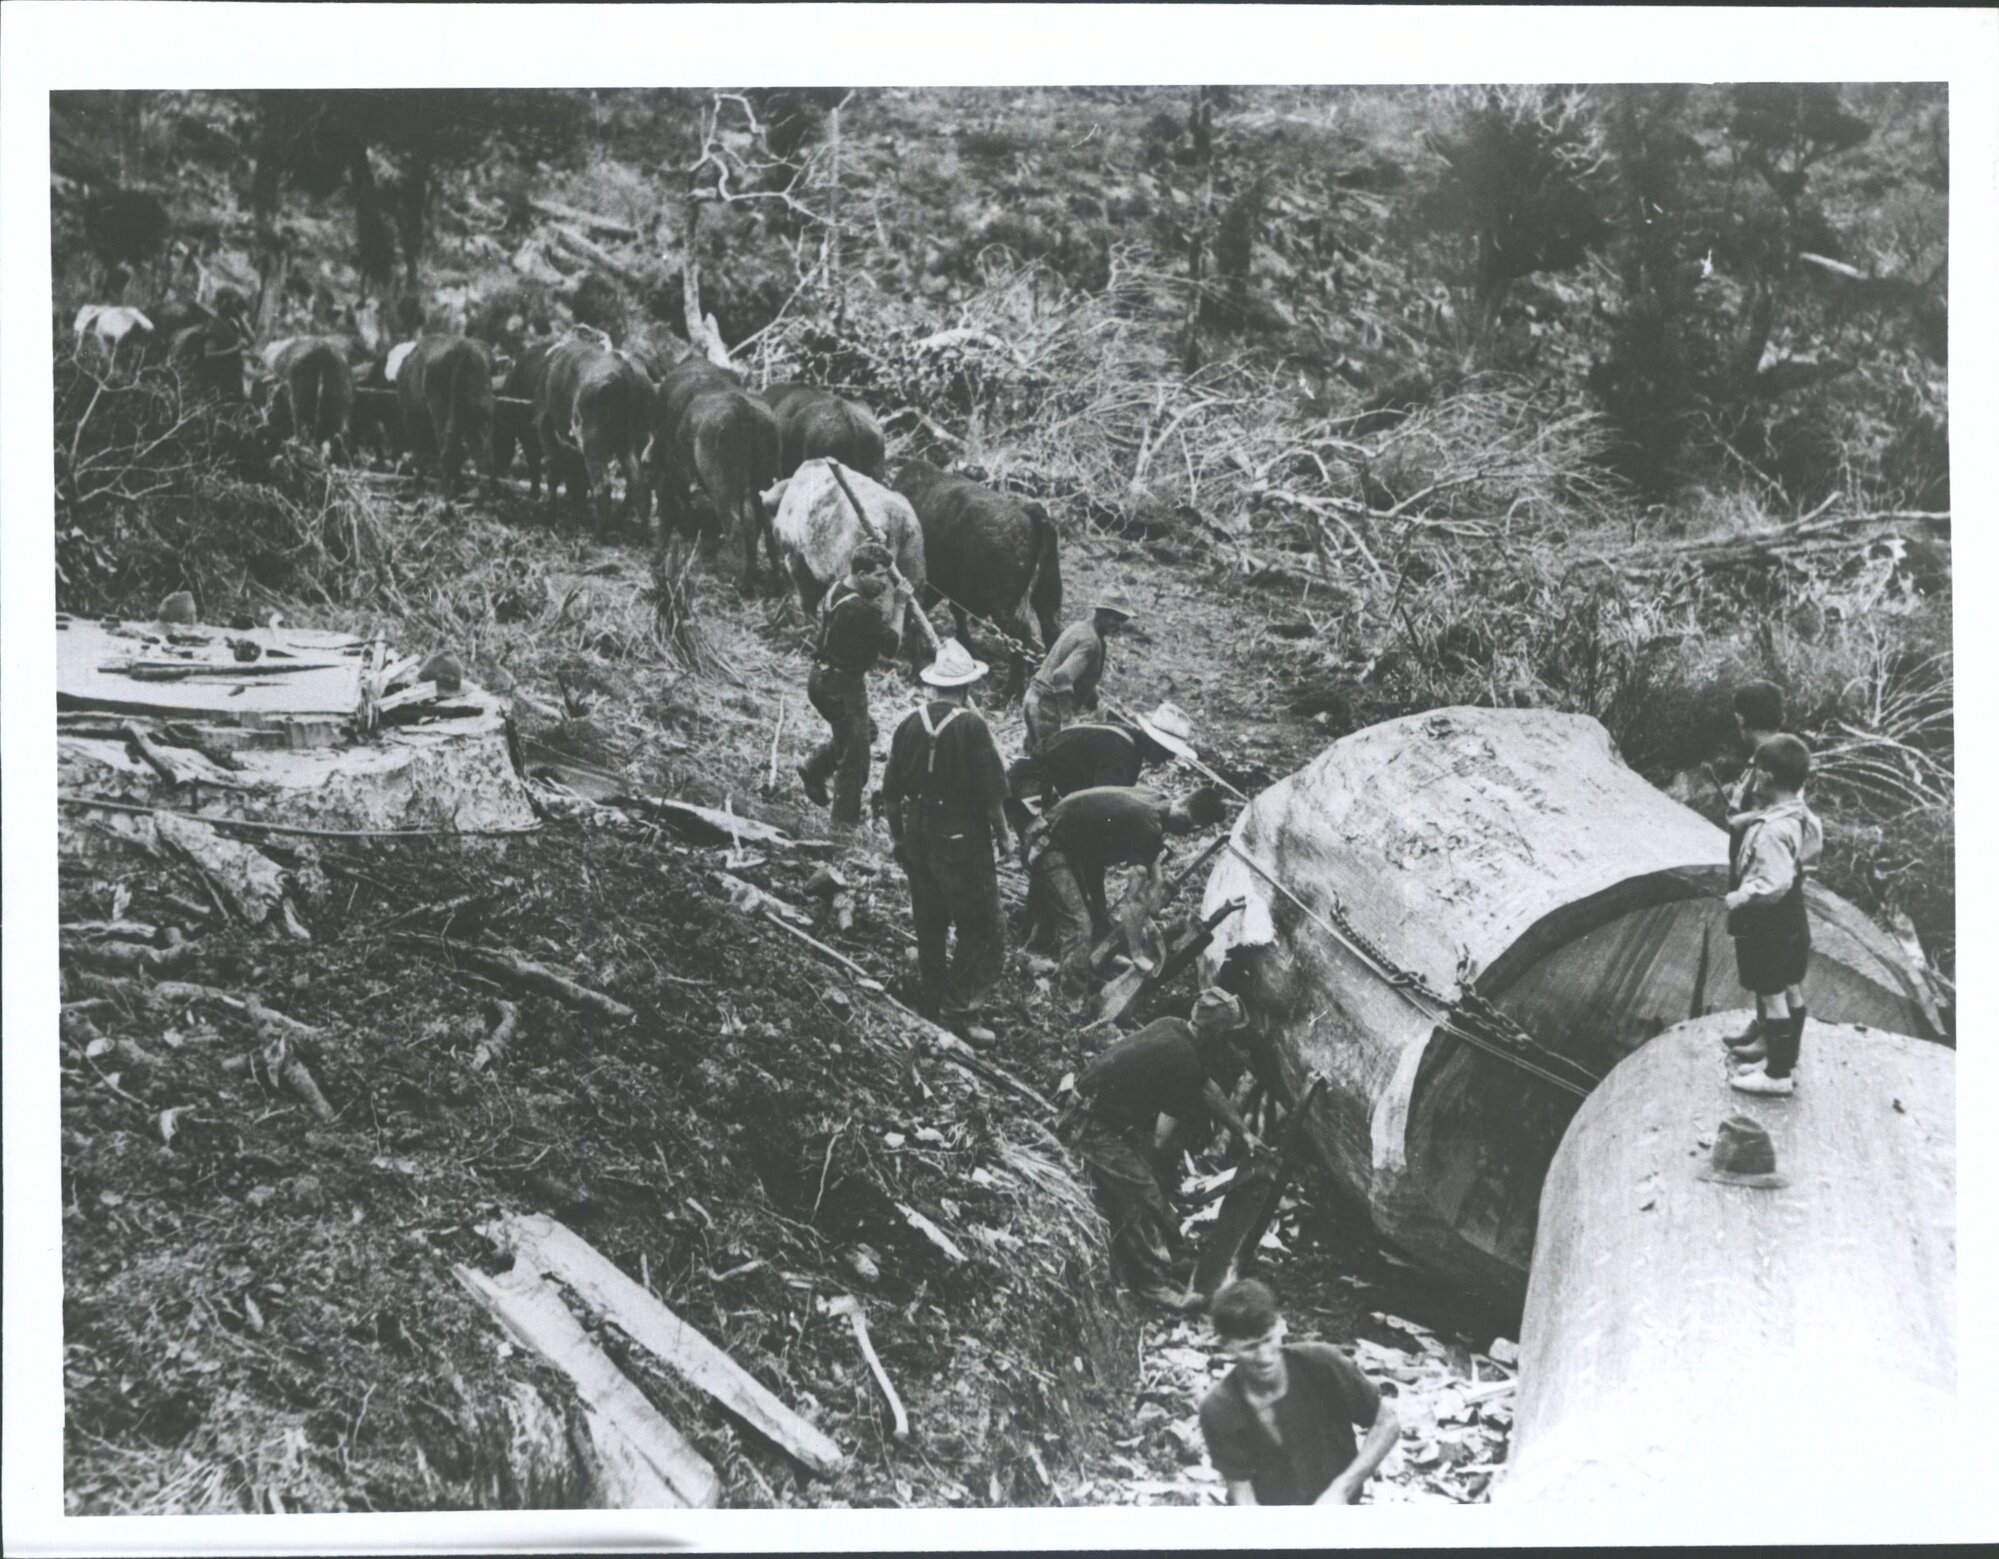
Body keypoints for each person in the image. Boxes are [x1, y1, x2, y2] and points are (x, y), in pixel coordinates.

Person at [1064, 990, 1264, 1308]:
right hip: (1090, 1126)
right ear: (1216, 1035)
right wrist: (1159, 1171)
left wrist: (1244, 1133)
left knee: (1154, 1186)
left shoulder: (1173, 1026)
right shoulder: (1182, 1059)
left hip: (1098, 1112)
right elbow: (1161, 1139)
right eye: (1228, 1036)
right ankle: (1152, 1284)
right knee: (1142, 1193)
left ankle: (1173, 1255)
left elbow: (1205, 1086)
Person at [881, 639, 1013, 1048]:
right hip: (961, 836)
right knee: (983, 924)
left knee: (930, 921)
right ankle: (962, 1012)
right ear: (967, 687)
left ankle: (931, 1000)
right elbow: (992, 794)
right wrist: (1005, 837)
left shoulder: (907, 723)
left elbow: (889, 792)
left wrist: (900, 838)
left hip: (919, 830)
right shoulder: (971, 726)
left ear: (936, 684)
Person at [1200, 1278, 1400, 1506]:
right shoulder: (1219, 1408)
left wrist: (1342, 1490)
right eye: (1250, 1348)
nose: (1265, 1357)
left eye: (1268, 1340)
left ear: (1279, 1325)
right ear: (1227, 1346)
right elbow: (1242, 1493)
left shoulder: (1322, 1364)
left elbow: (1387, 1424)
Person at [1023, 783, 1230, 976]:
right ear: (1193, 828)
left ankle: (1061, 957)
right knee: (1080, 926)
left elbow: (1154, 866)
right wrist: (1137, 954)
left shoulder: (1157, 800)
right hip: (1047, 845)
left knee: (1097, 914)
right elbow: (1134, 899)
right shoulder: (1149, 825)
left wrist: (1154, 898)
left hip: (1063, 837)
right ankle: (1070, 997)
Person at [1723, 733, 1822, 1096]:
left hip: (1769, 921)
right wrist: (1751, 820)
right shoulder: (1797, 814)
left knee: (1771, 994)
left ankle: (1777, 1075)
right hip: (1792, 917)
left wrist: (1742, 895)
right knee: (1790, 988)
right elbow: (1811, 845)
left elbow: (1773, 883)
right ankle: (1784, 1059)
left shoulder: (1772, 834)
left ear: (1764, 777)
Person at [799, 542, 907, 825]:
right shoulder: (860, 609)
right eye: (879, 576)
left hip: (821, 679)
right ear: (861, 573)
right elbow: (892, 647)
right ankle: (841, 831)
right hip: (843, 687)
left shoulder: (837, 589)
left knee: (864, 732)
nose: (885, 583)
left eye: (886, 576)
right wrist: (902, 604)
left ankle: (816, 765)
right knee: (855, 764)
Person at [1003, 701, 1198, 833]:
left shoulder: (1126, 742)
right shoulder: (1121, 751)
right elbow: (1102, 805)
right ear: (1154, 743)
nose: (1170, 757)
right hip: (1030, 787)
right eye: (1166, 750)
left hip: (1044, 784)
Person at [1021, 598, 1135, 756]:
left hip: (1034, 700)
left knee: (1031, 757)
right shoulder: (1090, 642)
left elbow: (1081, 677)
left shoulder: (1081, 628)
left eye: (1122, 620)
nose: (1118, 624)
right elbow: (1062, 677)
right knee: (1047, 762)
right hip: (1047, 708)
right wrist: (1067, 720)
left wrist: (1098, 706)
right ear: (1100, 613)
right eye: (1114, 618)